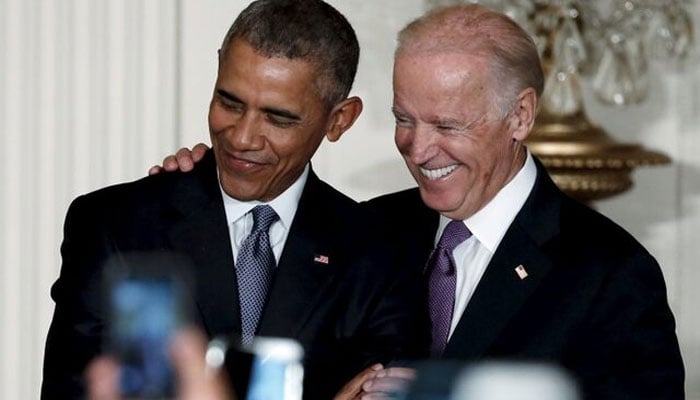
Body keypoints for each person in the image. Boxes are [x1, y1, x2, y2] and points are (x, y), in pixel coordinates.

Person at [162, 4, 685, 400]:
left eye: (447, 125)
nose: (418, 148)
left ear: (520, 116)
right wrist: (201, 195)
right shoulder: (364, 231)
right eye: (404, 119)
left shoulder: (610, 275)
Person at [41, 1, 428, 399]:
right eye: (230, 102)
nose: (242, 138)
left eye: (278, 118)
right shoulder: (116, 225)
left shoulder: (379, 253)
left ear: (338, 120)